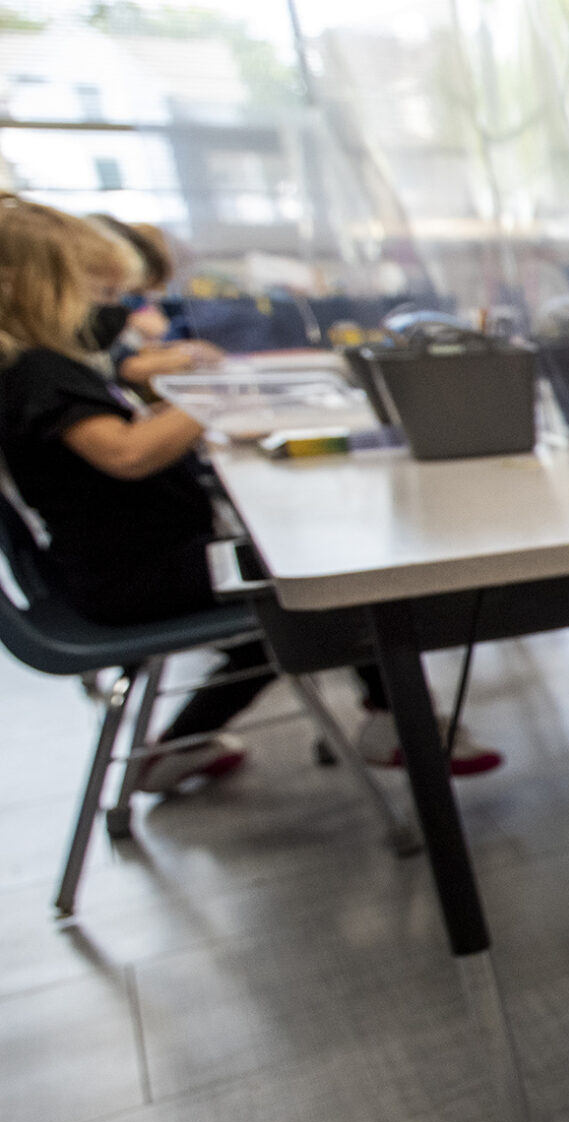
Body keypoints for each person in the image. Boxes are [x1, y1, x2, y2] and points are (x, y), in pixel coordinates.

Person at [0, 198, 498, 791]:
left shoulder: (52, 367)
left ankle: (180, 748)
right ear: (33, 291)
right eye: (101, 298)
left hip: (126, 567)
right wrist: (212, 396)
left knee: (295, 583)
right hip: (131, 578)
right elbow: (126, 454)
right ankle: (392, 723)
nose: (115, 313)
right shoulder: (38, 373)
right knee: (326, 581)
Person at [87, 216, 219, 389]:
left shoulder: (137, 304)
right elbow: (128, 365)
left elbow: (138, 351)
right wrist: (189, 355)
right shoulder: (114, 310)